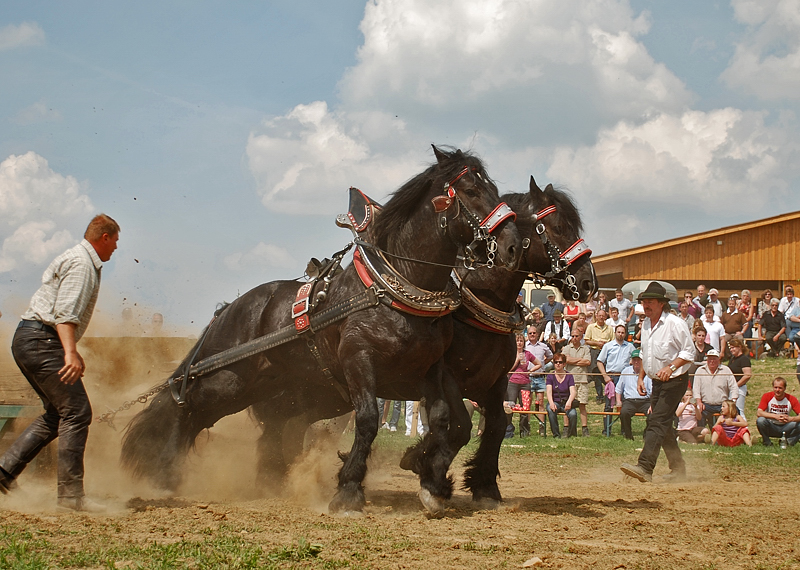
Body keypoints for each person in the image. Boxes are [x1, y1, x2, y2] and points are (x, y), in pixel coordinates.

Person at [0, 214, 120, 511]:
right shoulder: (82, 265)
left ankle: (3, 472)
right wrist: (69, 352)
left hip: (30, 339)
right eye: (115, 241)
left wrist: (68, 350)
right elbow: (65, 314)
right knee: (77, 412)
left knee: (58, 413)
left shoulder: (78, 259)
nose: (116, 248)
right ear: (104, 237)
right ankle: (70, 498)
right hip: (42, 341)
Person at [620, 281, 694, 483]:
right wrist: (641, 377)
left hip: (675, 381)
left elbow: (689, 352)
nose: (646, 306)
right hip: (656, 382)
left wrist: (670, 367)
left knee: (656, 421)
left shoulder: (675, 323)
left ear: (662, 303)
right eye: (644, 302)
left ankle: (645, 467)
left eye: (650, 302)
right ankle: (678, 469)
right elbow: (645, 353)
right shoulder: (645, 324)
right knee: (664, 425)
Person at [694, 349, 739, 430]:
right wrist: (699, 402)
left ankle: (734, 433)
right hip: (706, 404)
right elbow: (696, 389)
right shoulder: (700, 370)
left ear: (718, 360)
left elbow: (734, 387)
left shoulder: (726, 370)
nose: (712, 361)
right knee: (697, 411)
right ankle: (701, 434)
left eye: (714, 359)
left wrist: (733, 401)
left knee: (736, 411)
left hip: (722, 404)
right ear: (707, 359)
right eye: (710, 359)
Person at [506, 333, 541, 438]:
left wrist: (530, 371)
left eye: (521, 341)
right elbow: (508, 368)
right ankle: (508, 430)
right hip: (512, 382)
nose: (519, 343)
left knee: (525, 408)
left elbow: (539, 364)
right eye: (517, 341)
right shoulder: (510, 353)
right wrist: (516, 359)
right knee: (510, 407)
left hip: (525, 383)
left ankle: (524, 430)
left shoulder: (528, 354)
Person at [615, 350, 652, 440]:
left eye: (638, 359)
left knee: (653, 414)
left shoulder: (648, 372)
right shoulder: (625, 371)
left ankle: (646, 434)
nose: (636, 362)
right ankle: (628, 435)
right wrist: (618, 401)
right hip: (629, 401)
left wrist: (652, 404)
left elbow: (653, 390)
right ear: (631, 360)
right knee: (624, 413)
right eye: (634, 359)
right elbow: (618, 389)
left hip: (645, 401)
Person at [561, 328, 591, 436]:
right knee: (567, 405)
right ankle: (566, 428)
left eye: (577, 336)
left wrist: (572, 359)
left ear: (581, 337)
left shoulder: (585, 349)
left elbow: (587, 362)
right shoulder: (567, 348)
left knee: (582, 405)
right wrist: (579, 360)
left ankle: (584, 428)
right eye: (573, 336)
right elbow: (565, 360)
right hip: (569, 382)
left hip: (582, 380)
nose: (574, 338)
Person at [755, 377, 800, 446]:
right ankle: (767, 442)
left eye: (780, 388)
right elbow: (759, 412)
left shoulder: (791, 399)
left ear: (784, 388)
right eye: (775, 387)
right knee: (760, 420)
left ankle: (788, 442)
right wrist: (775, 416)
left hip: (786, 426)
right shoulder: (767, 396)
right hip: (771, 425)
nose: (777, 390)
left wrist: (791, 419)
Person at [526, 327, 554, 436]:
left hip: (540, 377)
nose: (532, 334)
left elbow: (550, 356)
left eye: (534, 333)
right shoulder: (525, 346)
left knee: (541, 402)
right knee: (527, 403)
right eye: (530, 333)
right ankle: (527, 426)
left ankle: (542, 426)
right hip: (528, 377)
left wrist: (542, 363)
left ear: (537, 334)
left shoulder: (543, 346)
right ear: (528, 334)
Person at [584, 309, 613, 404]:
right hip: (595, 350)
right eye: (599, 315)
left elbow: (613, 342)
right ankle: (599, 395)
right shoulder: (591, 327)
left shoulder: (609, 328)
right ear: (596, 316)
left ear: (605, 317)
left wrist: (606, 344)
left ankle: (610, 392)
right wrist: (597, 343)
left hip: (606, 351)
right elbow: (587, 340)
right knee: (596, 373)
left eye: (603, 316)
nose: (601, 317)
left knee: (606, 372)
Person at [545, 354, 577, 439]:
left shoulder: (569, 376)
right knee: (550, 410)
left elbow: (573, 391)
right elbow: (548, 392)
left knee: (573, 414)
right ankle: (556, 434)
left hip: (566, 401)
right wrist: (551, 403)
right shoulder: (550, 376)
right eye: (556, 362)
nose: (558, 364)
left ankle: (571, 435)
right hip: (555, 401)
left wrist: (569, 402)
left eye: (560, 362)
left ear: (564, 364)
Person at [597, 324, 634, 389]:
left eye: (622, 333)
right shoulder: (608, 346)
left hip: (625, 376)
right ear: (615, 333)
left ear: (625, 334)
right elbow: (599, 362)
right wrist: (605, 376)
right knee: (610, 398)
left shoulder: (630, 346)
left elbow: (637, 358)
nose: (620, 334)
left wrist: (632, 361)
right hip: (611, 377)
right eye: (618, 332)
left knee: (624, 398)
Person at [727, 339, 752, 418]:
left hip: (739, 388)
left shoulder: (744, 359)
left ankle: (744, 429)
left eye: (733, 347)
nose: (731, 350)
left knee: (738, 410)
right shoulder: (732, 359)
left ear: (739, 347)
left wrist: (736, 385)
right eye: (730, 348)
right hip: (731, 388)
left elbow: (747, 375)